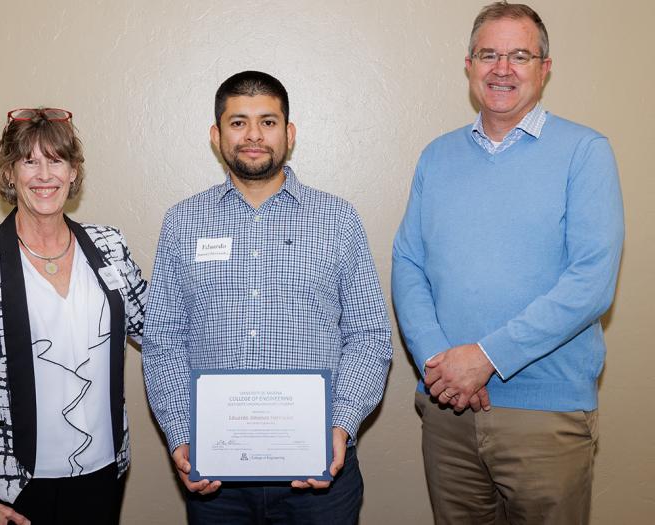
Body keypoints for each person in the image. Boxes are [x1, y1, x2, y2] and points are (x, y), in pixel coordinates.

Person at [392, 2, 624, 523]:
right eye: (488, 54)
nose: (502, 68)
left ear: (545, 69)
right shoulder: (437, 156)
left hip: (545, 414)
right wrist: (440, 366)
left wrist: (485, 359)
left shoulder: (584, 151)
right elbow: (409, 262)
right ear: (469, 65)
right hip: (447, 408)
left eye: (520, 55)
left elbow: (591, 283)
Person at [142, 71, 392, 524]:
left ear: (289, 134)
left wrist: (339, 426)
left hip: (321, 479)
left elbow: (369, 335)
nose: (253, 135)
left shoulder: (336, 220)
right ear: (216, 136)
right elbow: (163, 339)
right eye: (238, 123)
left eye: (268, 122)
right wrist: (181, 435)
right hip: (216, 481)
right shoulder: (183, 222)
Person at [0, 108, 148, 525]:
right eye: (28, 161)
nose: (43, 174)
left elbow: (157, 328)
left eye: (55, 160)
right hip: (8, 484)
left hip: (100, 471)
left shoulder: (110, 245)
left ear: (73, 172)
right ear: (9, 174)